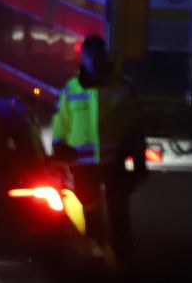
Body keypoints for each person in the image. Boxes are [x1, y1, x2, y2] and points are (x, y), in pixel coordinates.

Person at [50, 34, 145, 273]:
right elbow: (61, 121)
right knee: (90, 210)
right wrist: (59, 146)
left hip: (113, 162)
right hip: (84, 165)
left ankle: (124, 259)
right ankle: (96, 253)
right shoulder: (71, 88)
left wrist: (139, 156)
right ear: (84, 58)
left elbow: (134, 124)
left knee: (119, 213)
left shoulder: (121, 87)